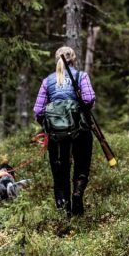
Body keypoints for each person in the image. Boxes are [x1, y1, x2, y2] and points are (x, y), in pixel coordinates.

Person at [33, 46, 95, 216]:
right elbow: (89, 99)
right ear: (73, 59)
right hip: (80, 131)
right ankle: (77, 194)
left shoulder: (48, 81)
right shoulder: (81, 76)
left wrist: (50, 125)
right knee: (82, 165)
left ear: (56, 60)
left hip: (56, 135)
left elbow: (38, 110)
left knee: (60, 171)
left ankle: (63, 209)